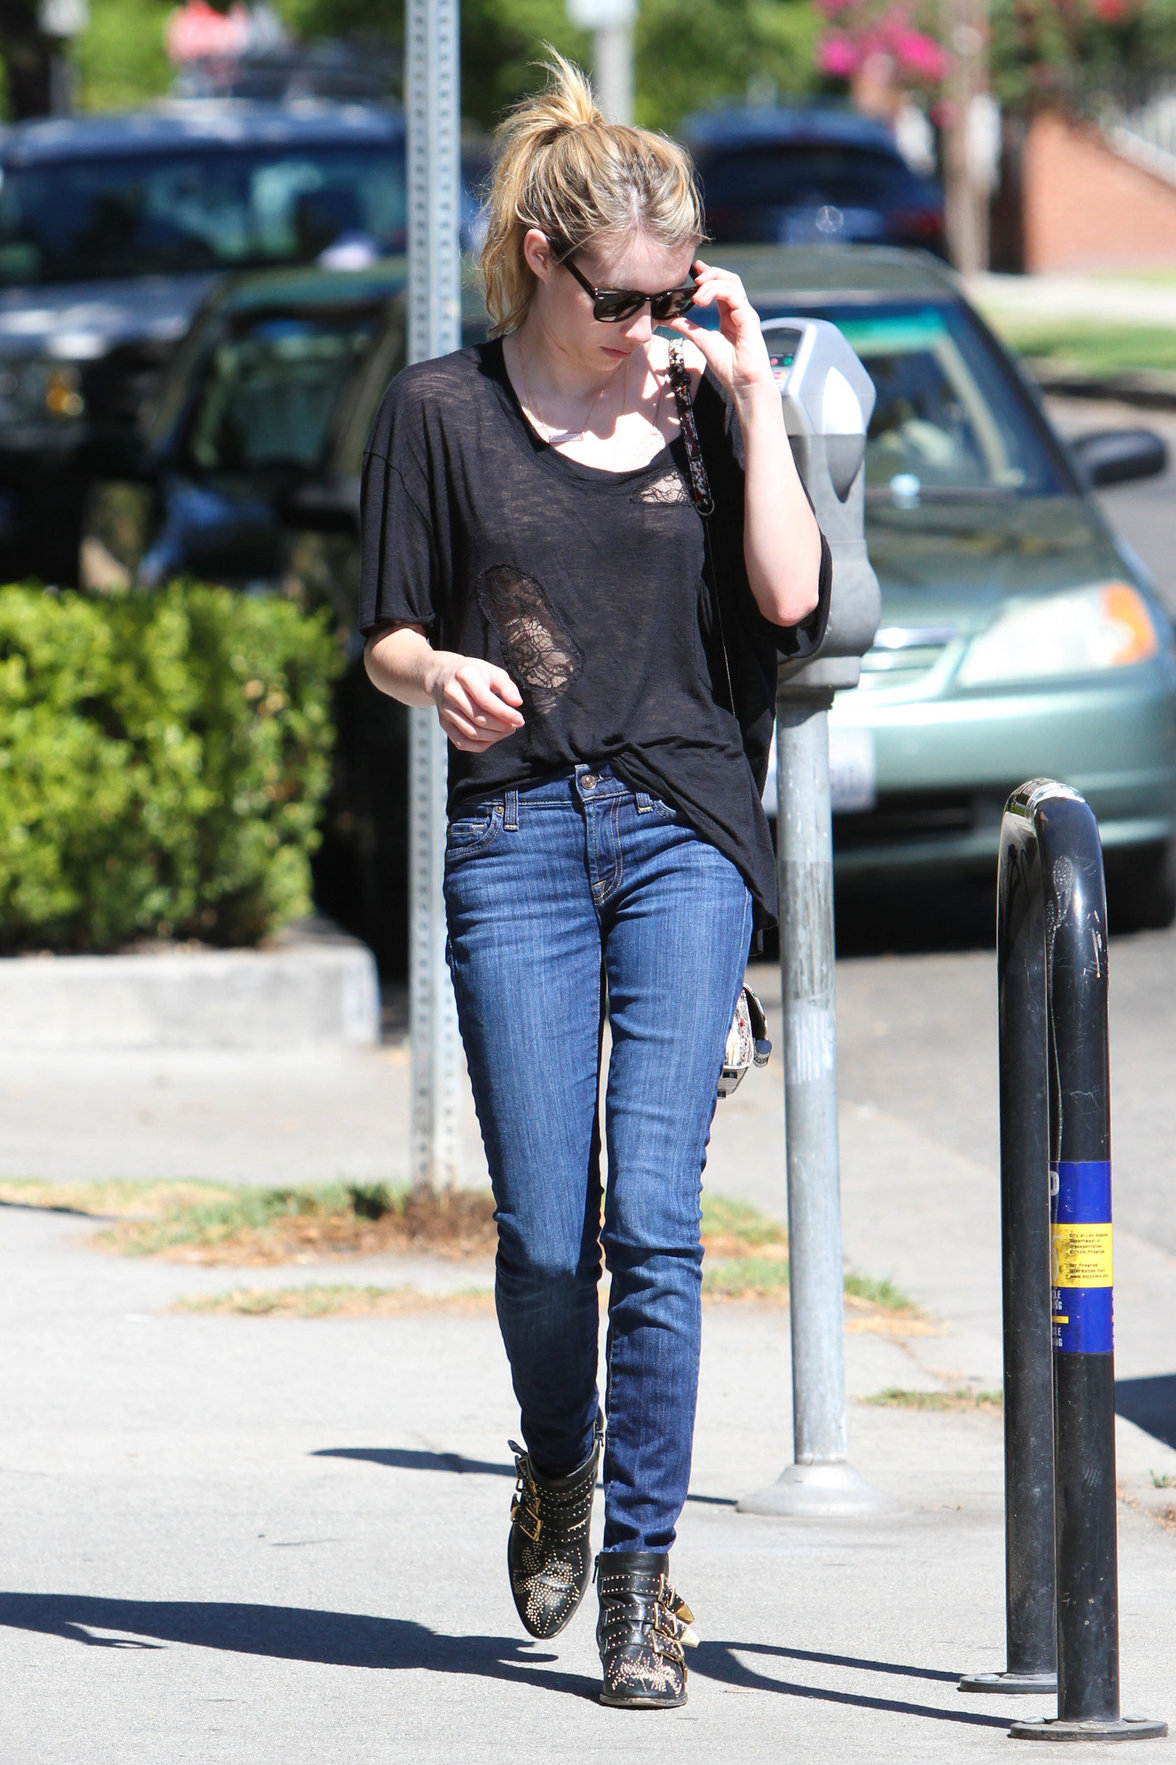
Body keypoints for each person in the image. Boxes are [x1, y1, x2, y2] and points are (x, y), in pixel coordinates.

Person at [360, 53, 830, 1710]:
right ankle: (555, 1458)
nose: (652, 325)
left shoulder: (704, 399)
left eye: (677, 293)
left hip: (685, 829)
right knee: (550, 1238)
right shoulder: (440, 410)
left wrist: (756, 399)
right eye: (627, 298)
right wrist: (438, 678)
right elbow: (389, 628)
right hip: (512, 842)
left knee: (661, 1221)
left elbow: (787, 597)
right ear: (548, 261)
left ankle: (640, 1577)